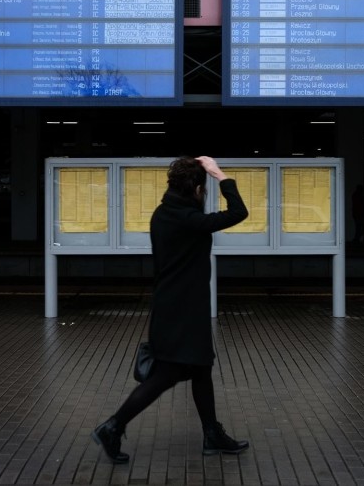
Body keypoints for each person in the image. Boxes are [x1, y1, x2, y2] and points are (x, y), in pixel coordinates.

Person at [92, 156, 250, 464]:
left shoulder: (164, 213)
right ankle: (113, 426)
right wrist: (221, 176)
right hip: (182, 312)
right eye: (204, 188)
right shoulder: (187, 219)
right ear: (195, 188)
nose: (205, 194)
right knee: (166, 375)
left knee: (202, 368)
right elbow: (239, 212)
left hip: (175, 306)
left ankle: (212, 435)